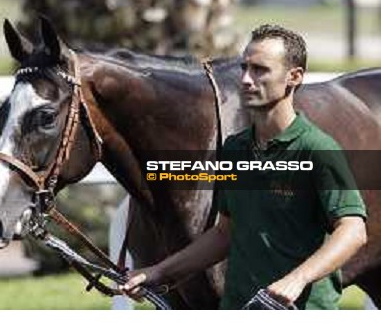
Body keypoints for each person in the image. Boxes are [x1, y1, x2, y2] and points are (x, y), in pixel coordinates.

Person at [121, 24, 368, 309]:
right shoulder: (235, 149)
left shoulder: (318, 149)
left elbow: (353, 231)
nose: (246, 80)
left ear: (294, 77)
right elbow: (225, 233)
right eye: (244, 68)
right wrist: (159, 271)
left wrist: (297, 279)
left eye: (260, 70)